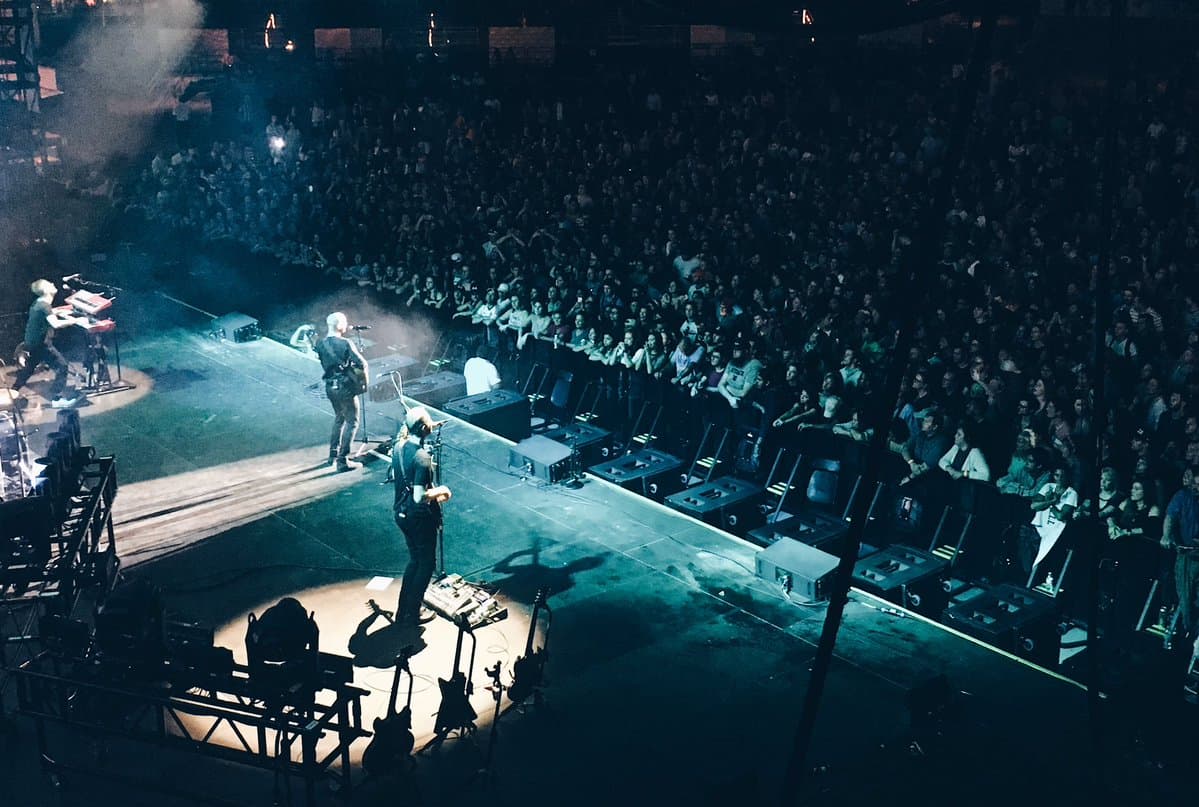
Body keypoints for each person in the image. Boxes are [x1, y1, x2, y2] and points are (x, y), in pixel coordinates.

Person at [392, 407, 452, 628]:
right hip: (418, 518)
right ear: (424, 428)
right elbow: (419, 496)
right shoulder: (422, 459)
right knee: (426, 564)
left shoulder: (398, 447)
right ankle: (413, 611)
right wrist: (442, 491)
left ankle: (403, 609)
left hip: (401, 513)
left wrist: (428, 426)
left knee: (414, 560)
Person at [10, 279, 82, 409]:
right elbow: (55, 324)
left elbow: (44, 314)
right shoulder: (44, 306)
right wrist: (74, 320)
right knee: (62, 366)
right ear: (46, 290)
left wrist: (56, 312)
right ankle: (56, 398)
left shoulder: (39, 303)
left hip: (32, 342)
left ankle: (13, 390)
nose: (53, 284)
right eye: (50, 284)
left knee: (29, 368)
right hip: (41, 344)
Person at [314, 312, 368, 471]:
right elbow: (362, 364)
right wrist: (362, 382)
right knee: (352, 421)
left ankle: (333, 456)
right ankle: (342, 461)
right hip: (345, 388)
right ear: (339, 325)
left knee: (339, 418)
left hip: (330, 386)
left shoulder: (321, 344)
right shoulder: (346, 343)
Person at [1163, 467, 1199, 640]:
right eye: (1194, 484)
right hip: (1187, 555)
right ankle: (1189, 634)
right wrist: (1166, 536)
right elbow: (1170, 516)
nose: (1196, 488)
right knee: (1186, 597)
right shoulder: (1182, 496)